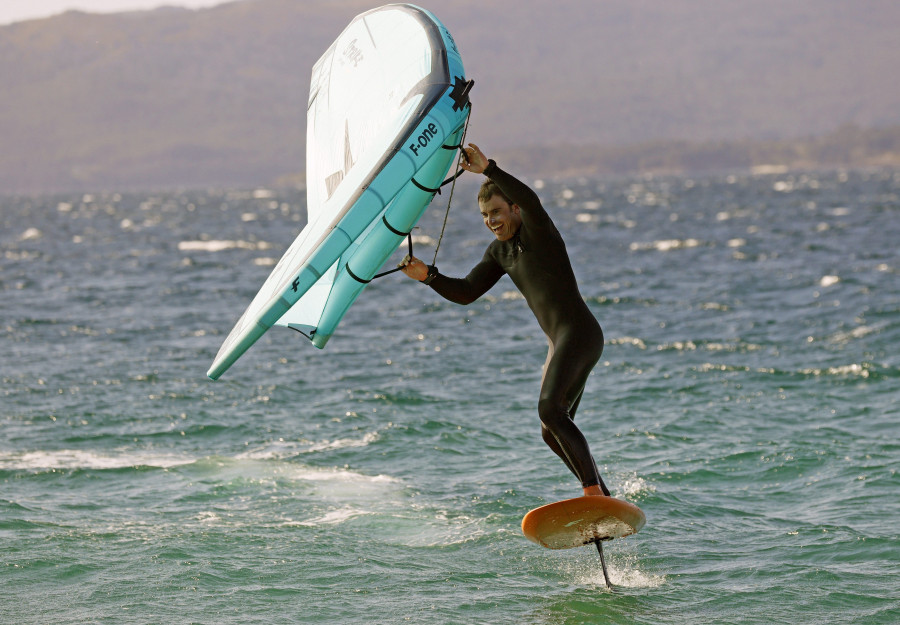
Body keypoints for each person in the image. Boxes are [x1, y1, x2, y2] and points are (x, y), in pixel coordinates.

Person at [400, 143, 610, 498]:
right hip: (560, 341)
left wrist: (489, 169)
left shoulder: (537, 231)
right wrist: (428, 276)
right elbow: (467, 291)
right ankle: (601, 494)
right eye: (484, 216)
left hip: (581, 334)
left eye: (496, 211)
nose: (491, 221)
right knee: (550, 427)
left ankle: (592, 494)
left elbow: (531, 200)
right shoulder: (499, 252)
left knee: (549, 409)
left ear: (513, 208)